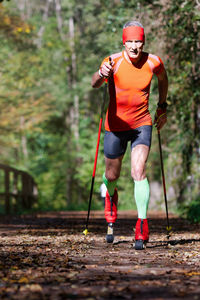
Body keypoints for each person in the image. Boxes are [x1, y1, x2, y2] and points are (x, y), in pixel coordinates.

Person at [91, 20, 168, 250]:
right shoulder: (112, 61)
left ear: (143, 41)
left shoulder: (153, 62)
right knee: (111, 175)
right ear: (124, 42)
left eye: (138, 41)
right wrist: (100, 73)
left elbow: (163, 79)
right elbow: (94, 83)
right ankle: (110, 198)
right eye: (130, 41)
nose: (135, 46)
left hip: (141, 124)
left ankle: (142, 225)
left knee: (138, 171)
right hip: (115, 126)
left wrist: (162, 106)